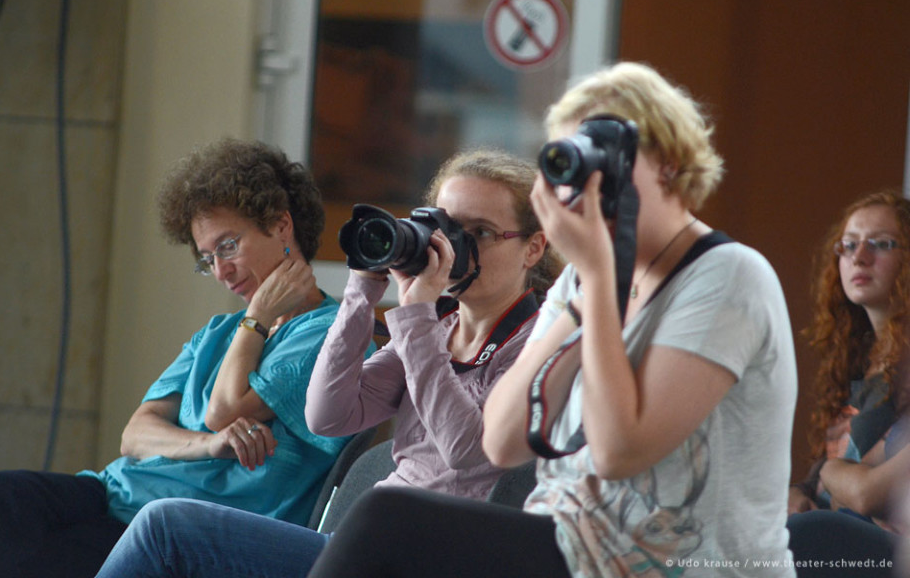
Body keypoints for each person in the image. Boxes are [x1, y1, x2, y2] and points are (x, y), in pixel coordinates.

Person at [306, 61, 798, 578]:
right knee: (382, 520)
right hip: (568, 553)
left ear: (669, 164)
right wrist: (589, 282)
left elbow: (617, 451)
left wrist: (599, 278)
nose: (582, 184)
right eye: (568, 163)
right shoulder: (580, 281)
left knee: (391, 519)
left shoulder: (727, 277)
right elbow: (502, 438)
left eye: (602, 158)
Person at [92, 148, 562, 578]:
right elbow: (331, 415)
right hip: (364, 545)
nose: (459, 248)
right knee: (161, 528)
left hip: (430, 558)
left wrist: (416, 315)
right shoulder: (434, 329)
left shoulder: (539, 343)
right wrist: (362, 290)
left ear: (534, 247)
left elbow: (468, 454)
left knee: (167, 528)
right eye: (448, 230)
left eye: (479, 233)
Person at [0, 138, 358, 578]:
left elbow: (226, 410)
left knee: (20, 558)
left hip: (179, 532)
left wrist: (257, 318)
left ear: (281, 226)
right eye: (207, 259)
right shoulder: (218, 333)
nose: (220, 272)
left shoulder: (328, 332)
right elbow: (136, 435)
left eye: (227, 246)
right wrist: (206, 445)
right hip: (114, 493)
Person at [786, 189, 910, 576]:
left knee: (807, 535)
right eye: (849, 245)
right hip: (837, 543)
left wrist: (830, 473)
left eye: (882, 244)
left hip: (894, 555)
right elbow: (819, 478)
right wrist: (797, 494)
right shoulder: (857, 362)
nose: (859, 256)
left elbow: (867, 494)